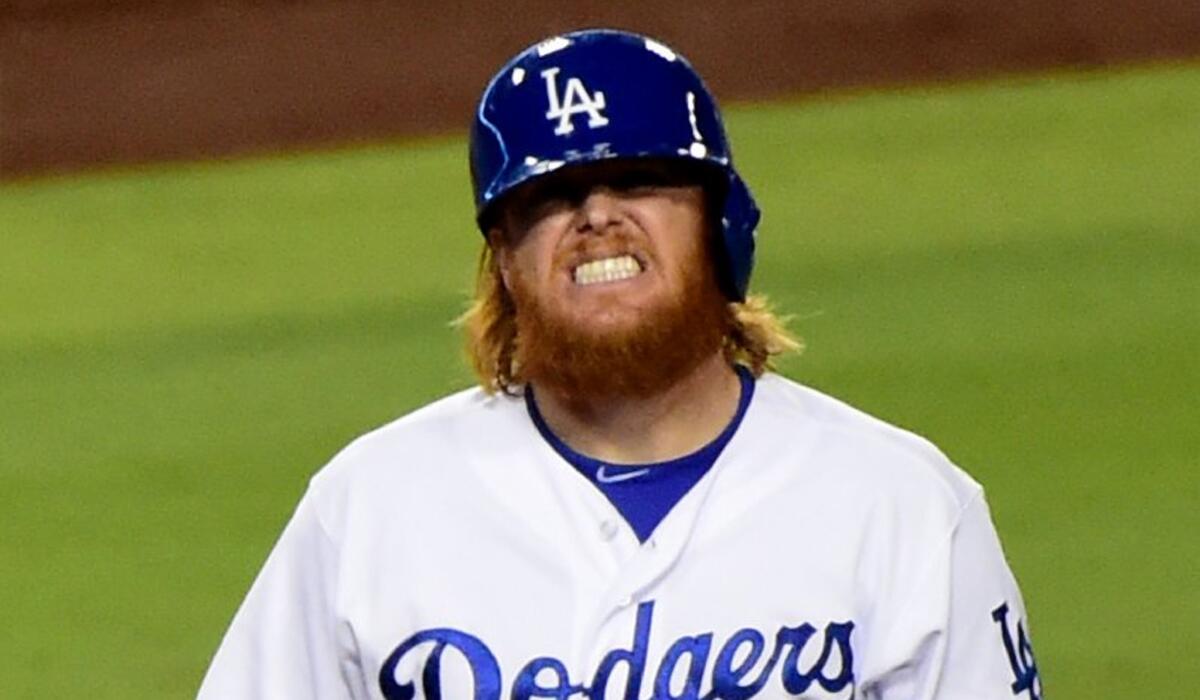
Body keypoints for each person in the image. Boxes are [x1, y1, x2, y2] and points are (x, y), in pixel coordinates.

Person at [198, 28, 1043, 700]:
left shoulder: (903, 507)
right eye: (551, 196)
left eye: (639, 179)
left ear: (719, 226)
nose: (597, 215)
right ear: (504, 260)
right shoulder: (371, 509)